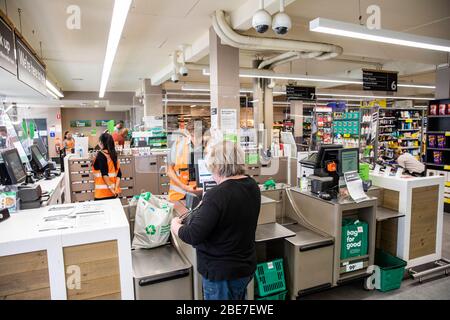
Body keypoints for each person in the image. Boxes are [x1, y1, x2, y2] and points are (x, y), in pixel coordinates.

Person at [171, 140, 261, 300]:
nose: (211, 173)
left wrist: (175, 226)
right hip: (244, 268)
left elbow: (193, 235)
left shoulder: (217, 195)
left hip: (222, 275)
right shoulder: (252, 185)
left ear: (219, 167)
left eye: (212, 168)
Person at [167, 118, 206, 201]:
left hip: (206, 195)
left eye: (199, 136)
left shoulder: (210, 147)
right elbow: (169, 170)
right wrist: (184, 187)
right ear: (188, 133)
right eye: (192, 136)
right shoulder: (177, 145)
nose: (195, 139)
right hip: (180, 196)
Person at [92, 133, 122, 200]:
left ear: (102, 142)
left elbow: (104, 174)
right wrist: (115, 189)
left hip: (102, 195)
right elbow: (119, 174)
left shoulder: (101, 155)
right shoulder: (114, 155)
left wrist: (112, 190)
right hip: (113, 194)